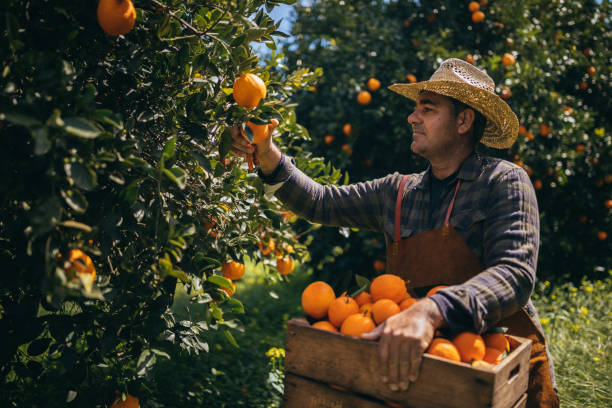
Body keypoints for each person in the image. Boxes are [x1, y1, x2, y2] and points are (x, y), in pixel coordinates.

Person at [230, 58, 559, 407]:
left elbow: (515, 274)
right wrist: (266, 154)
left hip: (496, 365)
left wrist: (432, 310)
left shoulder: (503, 181)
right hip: (423, 364)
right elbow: (320, 202)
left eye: (428, 109)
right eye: (416, 108)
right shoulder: (397, 193)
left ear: (464, 121)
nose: (412, 118)